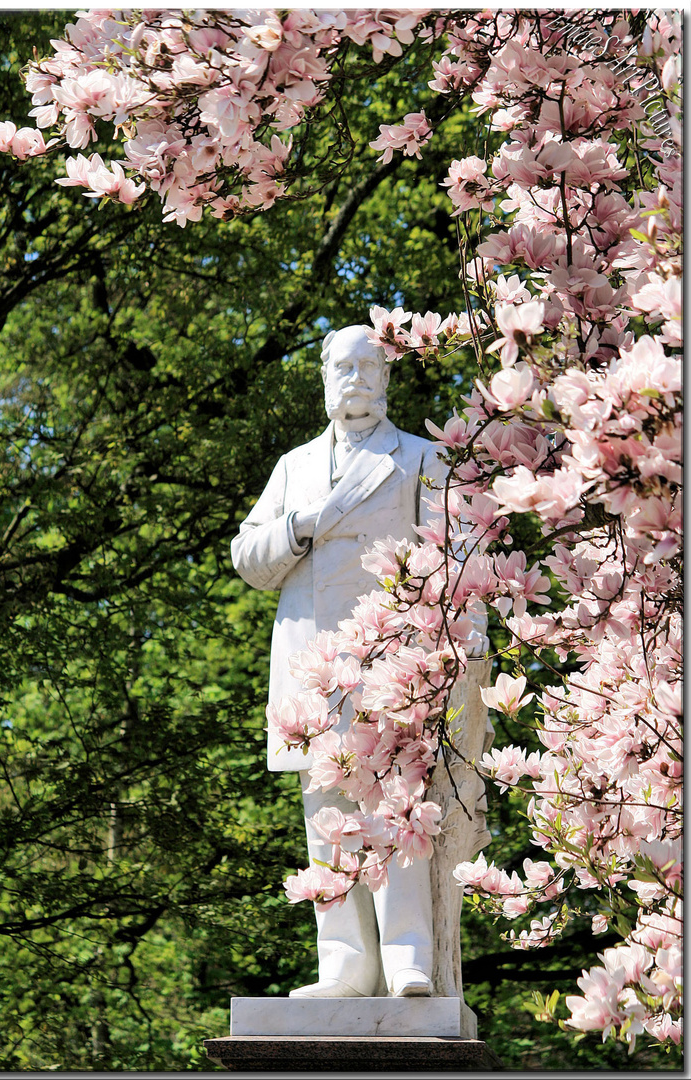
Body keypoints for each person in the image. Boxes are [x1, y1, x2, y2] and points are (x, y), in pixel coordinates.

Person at [231, 324, 479, 999]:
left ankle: (406, 956)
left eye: (370, 366)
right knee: (329, 813)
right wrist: (300, 526)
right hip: (314, 662)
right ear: (322, 375)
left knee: (398, 808)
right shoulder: (294, 468)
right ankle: (341, 962)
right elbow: (248, 558)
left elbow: (459, 555)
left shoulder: (423, 459)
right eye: (344, 366)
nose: (356, 378)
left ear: (389, 379)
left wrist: (471, 629)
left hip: (393, 659)